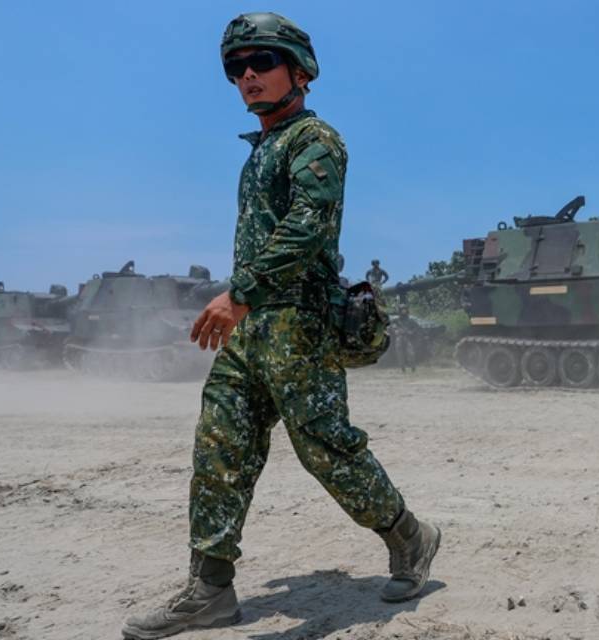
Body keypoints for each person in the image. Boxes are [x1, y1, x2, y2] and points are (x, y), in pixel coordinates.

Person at [122, 14, 440, 639]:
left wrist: (237, 294)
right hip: (250, 333)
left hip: (297, 326)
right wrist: (243, 306)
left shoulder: (314, 139)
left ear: (298, 70)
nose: (247, 76)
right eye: (236, 68)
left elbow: (308, 225)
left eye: (261, 61)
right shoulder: (262, 148)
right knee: (220, 449)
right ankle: (210, 588)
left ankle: (410, 537)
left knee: (329, 454)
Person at [392, 304, 419, 373]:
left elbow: (416, 328)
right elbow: (392, 327)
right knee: (400, 354)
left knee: (411, 353)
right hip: (399, 337)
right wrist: (396, 330)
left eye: (405, 309)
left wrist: (411, 332)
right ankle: (402, 368)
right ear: (399, 311)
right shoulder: (396, 320)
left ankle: (413, 367)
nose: (403, 311)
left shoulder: (411, 321)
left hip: (407, 337)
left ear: (407, 310)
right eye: (402, 310)